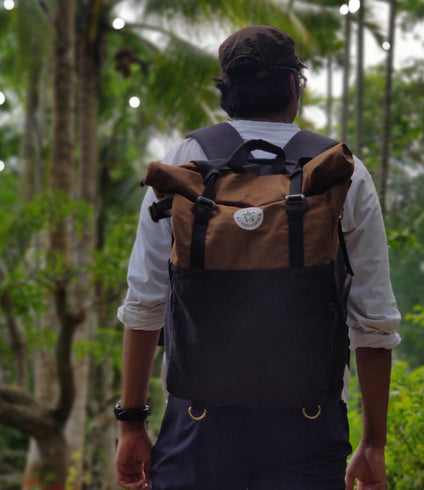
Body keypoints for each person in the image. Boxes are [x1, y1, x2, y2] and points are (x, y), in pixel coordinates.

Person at [115, 25, 401, 490]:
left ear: (227, 92)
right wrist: (373, 445)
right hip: (309, 430)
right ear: (293, 86)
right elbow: (373, 322)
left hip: (197, 430)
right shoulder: (339, 169)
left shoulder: (183, 162)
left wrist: (131, 423)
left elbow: (145, 303)